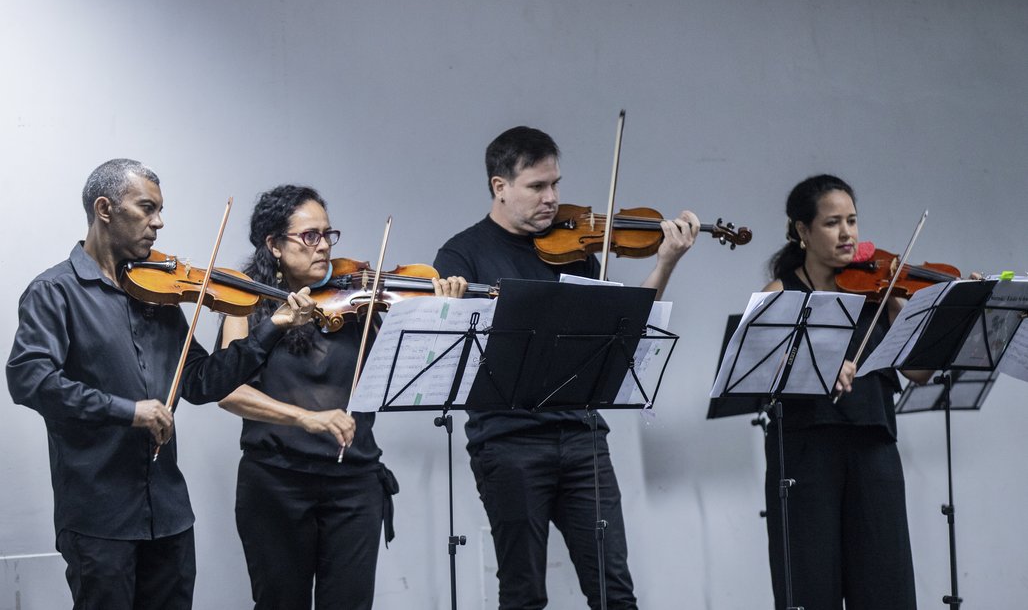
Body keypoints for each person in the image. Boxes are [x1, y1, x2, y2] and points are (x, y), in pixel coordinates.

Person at [6, 159, 316, 610]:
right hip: (99, 517)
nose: (159, 222)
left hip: (168, 514)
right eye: (147, 208)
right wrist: (129, 411)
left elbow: (201, 382)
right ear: (104, 209)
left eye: (160, 210)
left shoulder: (159, 293)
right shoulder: (55, 291)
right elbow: (29, 379)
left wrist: (273, 327)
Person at [433, 126, 699, 610]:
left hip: (581, 438)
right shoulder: (461, 255)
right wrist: (448, 307)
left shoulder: (576, 251)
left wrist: (665, 263)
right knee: (523, 593)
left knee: (614, 592)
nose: (553, 198)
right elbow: (451, 356)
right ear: (500, 186)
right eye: (537, 187)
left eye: (556, 184)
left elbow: (624, 329)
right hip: (507, 443)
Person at [217, 184, 466, 610]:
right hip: (276, 483)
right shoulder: (246, 303)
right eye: (309, 236)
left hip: (354, 483)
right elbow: (227, 390)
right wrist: (306, 418)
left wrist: (445, 315)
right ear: (274, 245)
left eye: (328, 235)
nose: (323, 247)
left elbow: (413, 373)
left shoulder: (360, 301)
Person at [761, 174, 926, 610]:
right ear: (802, 231)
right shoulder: (779, 294)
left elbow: (920, 373)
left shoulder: (880, 288)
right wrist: (816, 368)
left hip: (874, 449)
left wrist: (907, 306)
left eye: (852, 220)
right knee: (811, 586)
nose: (848, 233)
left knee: (885, 586)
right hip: (805, 455)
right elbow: (762, 376)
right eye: (833, 223)